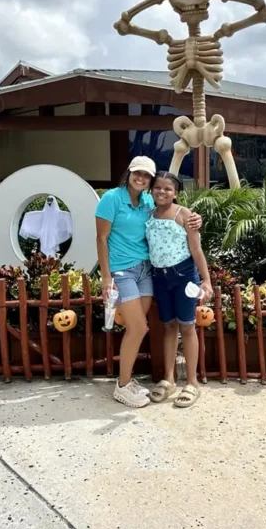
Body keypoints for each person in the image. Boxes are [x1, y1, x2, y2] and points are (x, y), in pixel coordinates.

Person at [95, 156, 201, 408]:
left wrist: (194, 219)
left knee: (137, 327)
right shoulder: (111, 198)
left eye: (146, 176)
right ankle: (122, 385)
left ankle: (129, 380)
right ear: (129, 172)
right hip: (123, 272)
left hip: (146, 269)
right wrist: (106, 277)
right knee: (139, 328)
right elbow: (101, 238)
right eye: (137, 173)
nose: (140, 178)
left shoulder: (147, 200)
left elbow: (171, 209)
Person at [146, 172, 213, 408]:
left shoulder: (184, 214)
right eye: (158, 187)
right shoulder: (148, 214)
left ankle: (192, 382)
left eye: (168, 189)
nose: (162, 192)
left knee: (187, 325)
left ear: (176, 193)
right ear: (151, 190)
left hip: (184, 276)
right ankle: (169, 378)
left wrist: (206, 280)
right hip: (159, 277)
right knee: (169, 326)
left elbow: (196, 249)